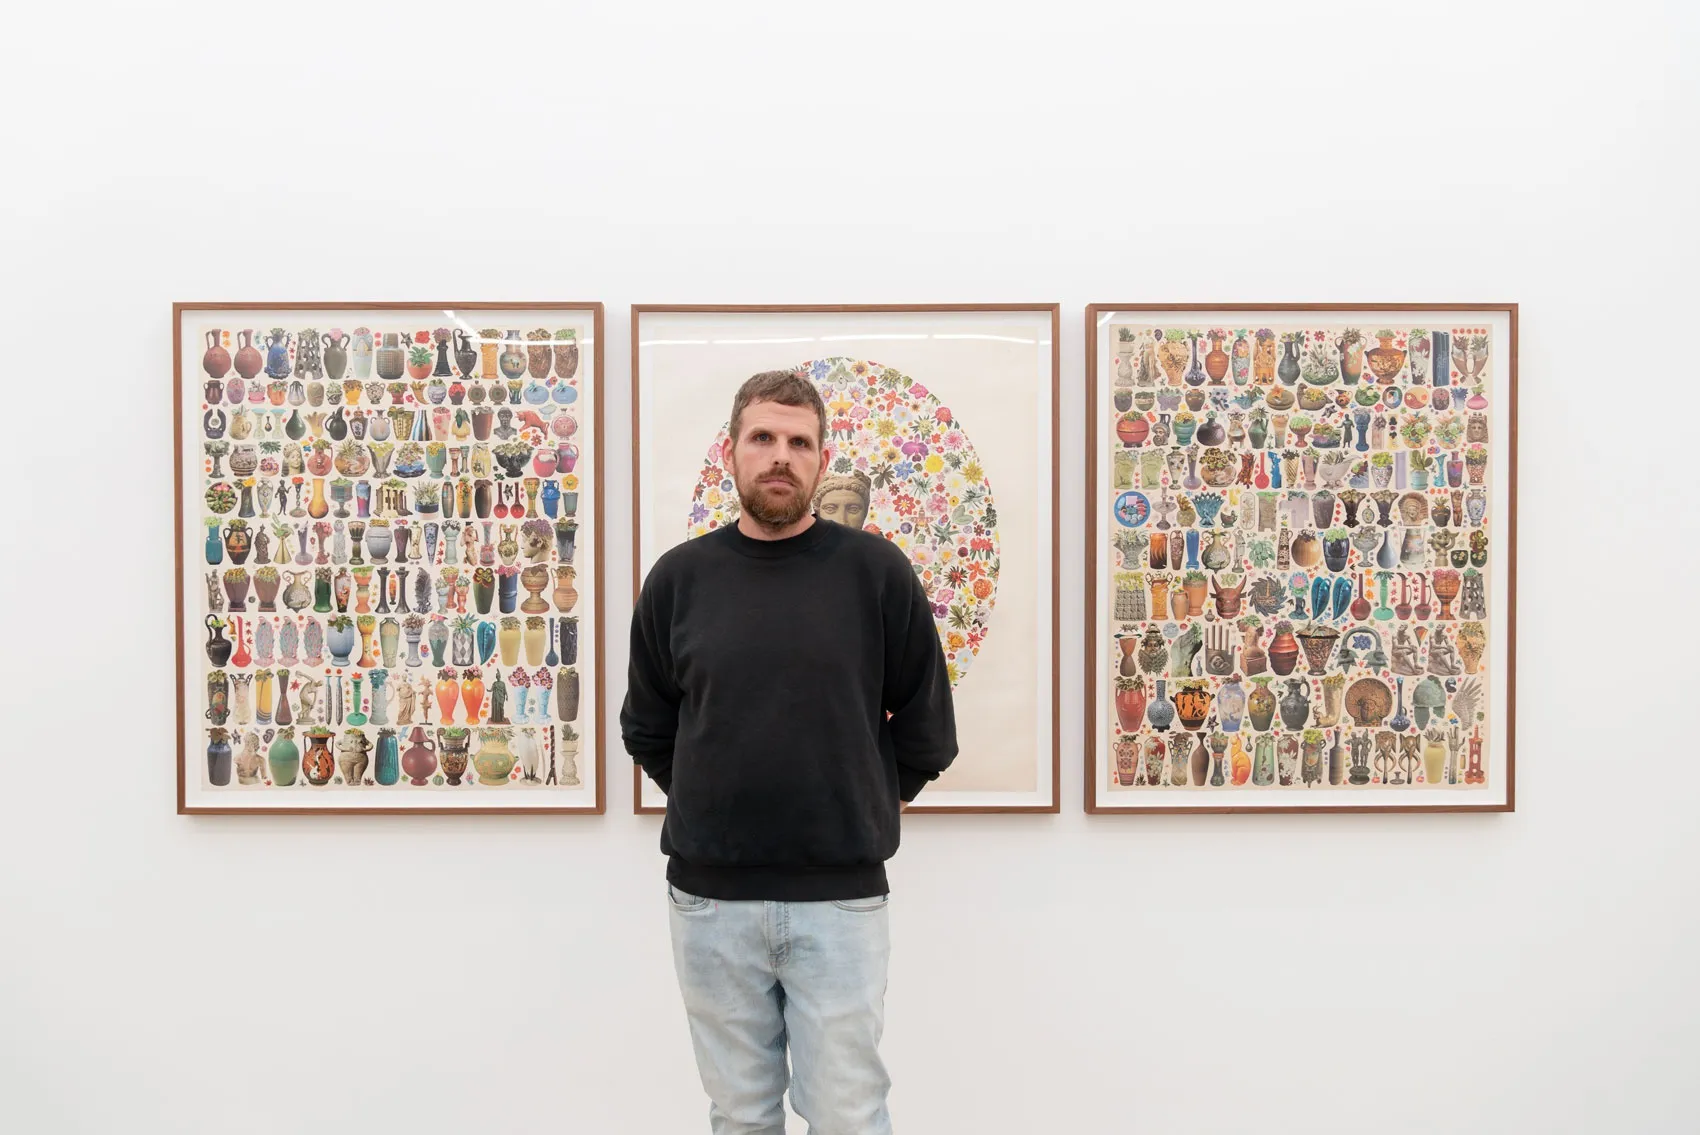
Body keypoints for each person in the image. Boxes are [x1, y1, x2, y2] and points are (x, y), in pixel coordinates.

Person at [622, 369, 958, 1134]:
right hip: (708, 902)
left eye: (799, 442)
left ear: (821, 458)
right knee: (738, 1115)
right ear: (731, 454)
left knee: (847, 1113)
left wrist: (865, 795)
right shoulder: (679, 580)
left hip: (840, 900)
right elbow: (646, 724)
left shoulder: (876, 574)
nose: (781, 455)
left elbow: (929, 730)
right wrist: (710, 791)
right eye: (763, 438)